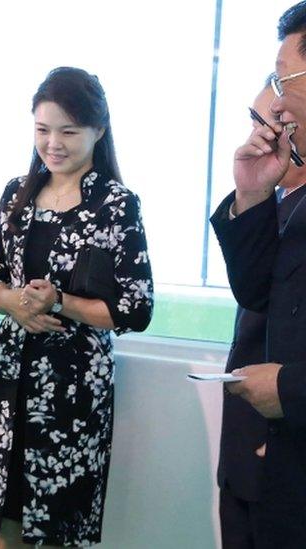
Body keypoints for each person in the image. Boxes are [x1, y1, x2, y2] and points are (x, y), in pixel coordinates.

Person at [0, 67, 153, 548]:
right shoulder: (16, 193)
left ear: (99, 130)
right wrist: (12, 302)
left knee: (56, 531)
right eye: (42, 130)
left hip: (73, 391)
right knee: (6, 525)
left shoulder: (116, 204)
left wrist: (60, 302)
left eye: (68, 131)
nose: (53, 143)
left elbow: (134, 309)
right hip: (11, 380)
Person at [211, 2, 306, 545]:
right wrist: (250, 193)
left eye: (283, 80)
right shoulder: (281, 202)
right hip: (264, 455)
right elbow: (254, 293)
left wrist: (291, 390)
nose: (274, 125)